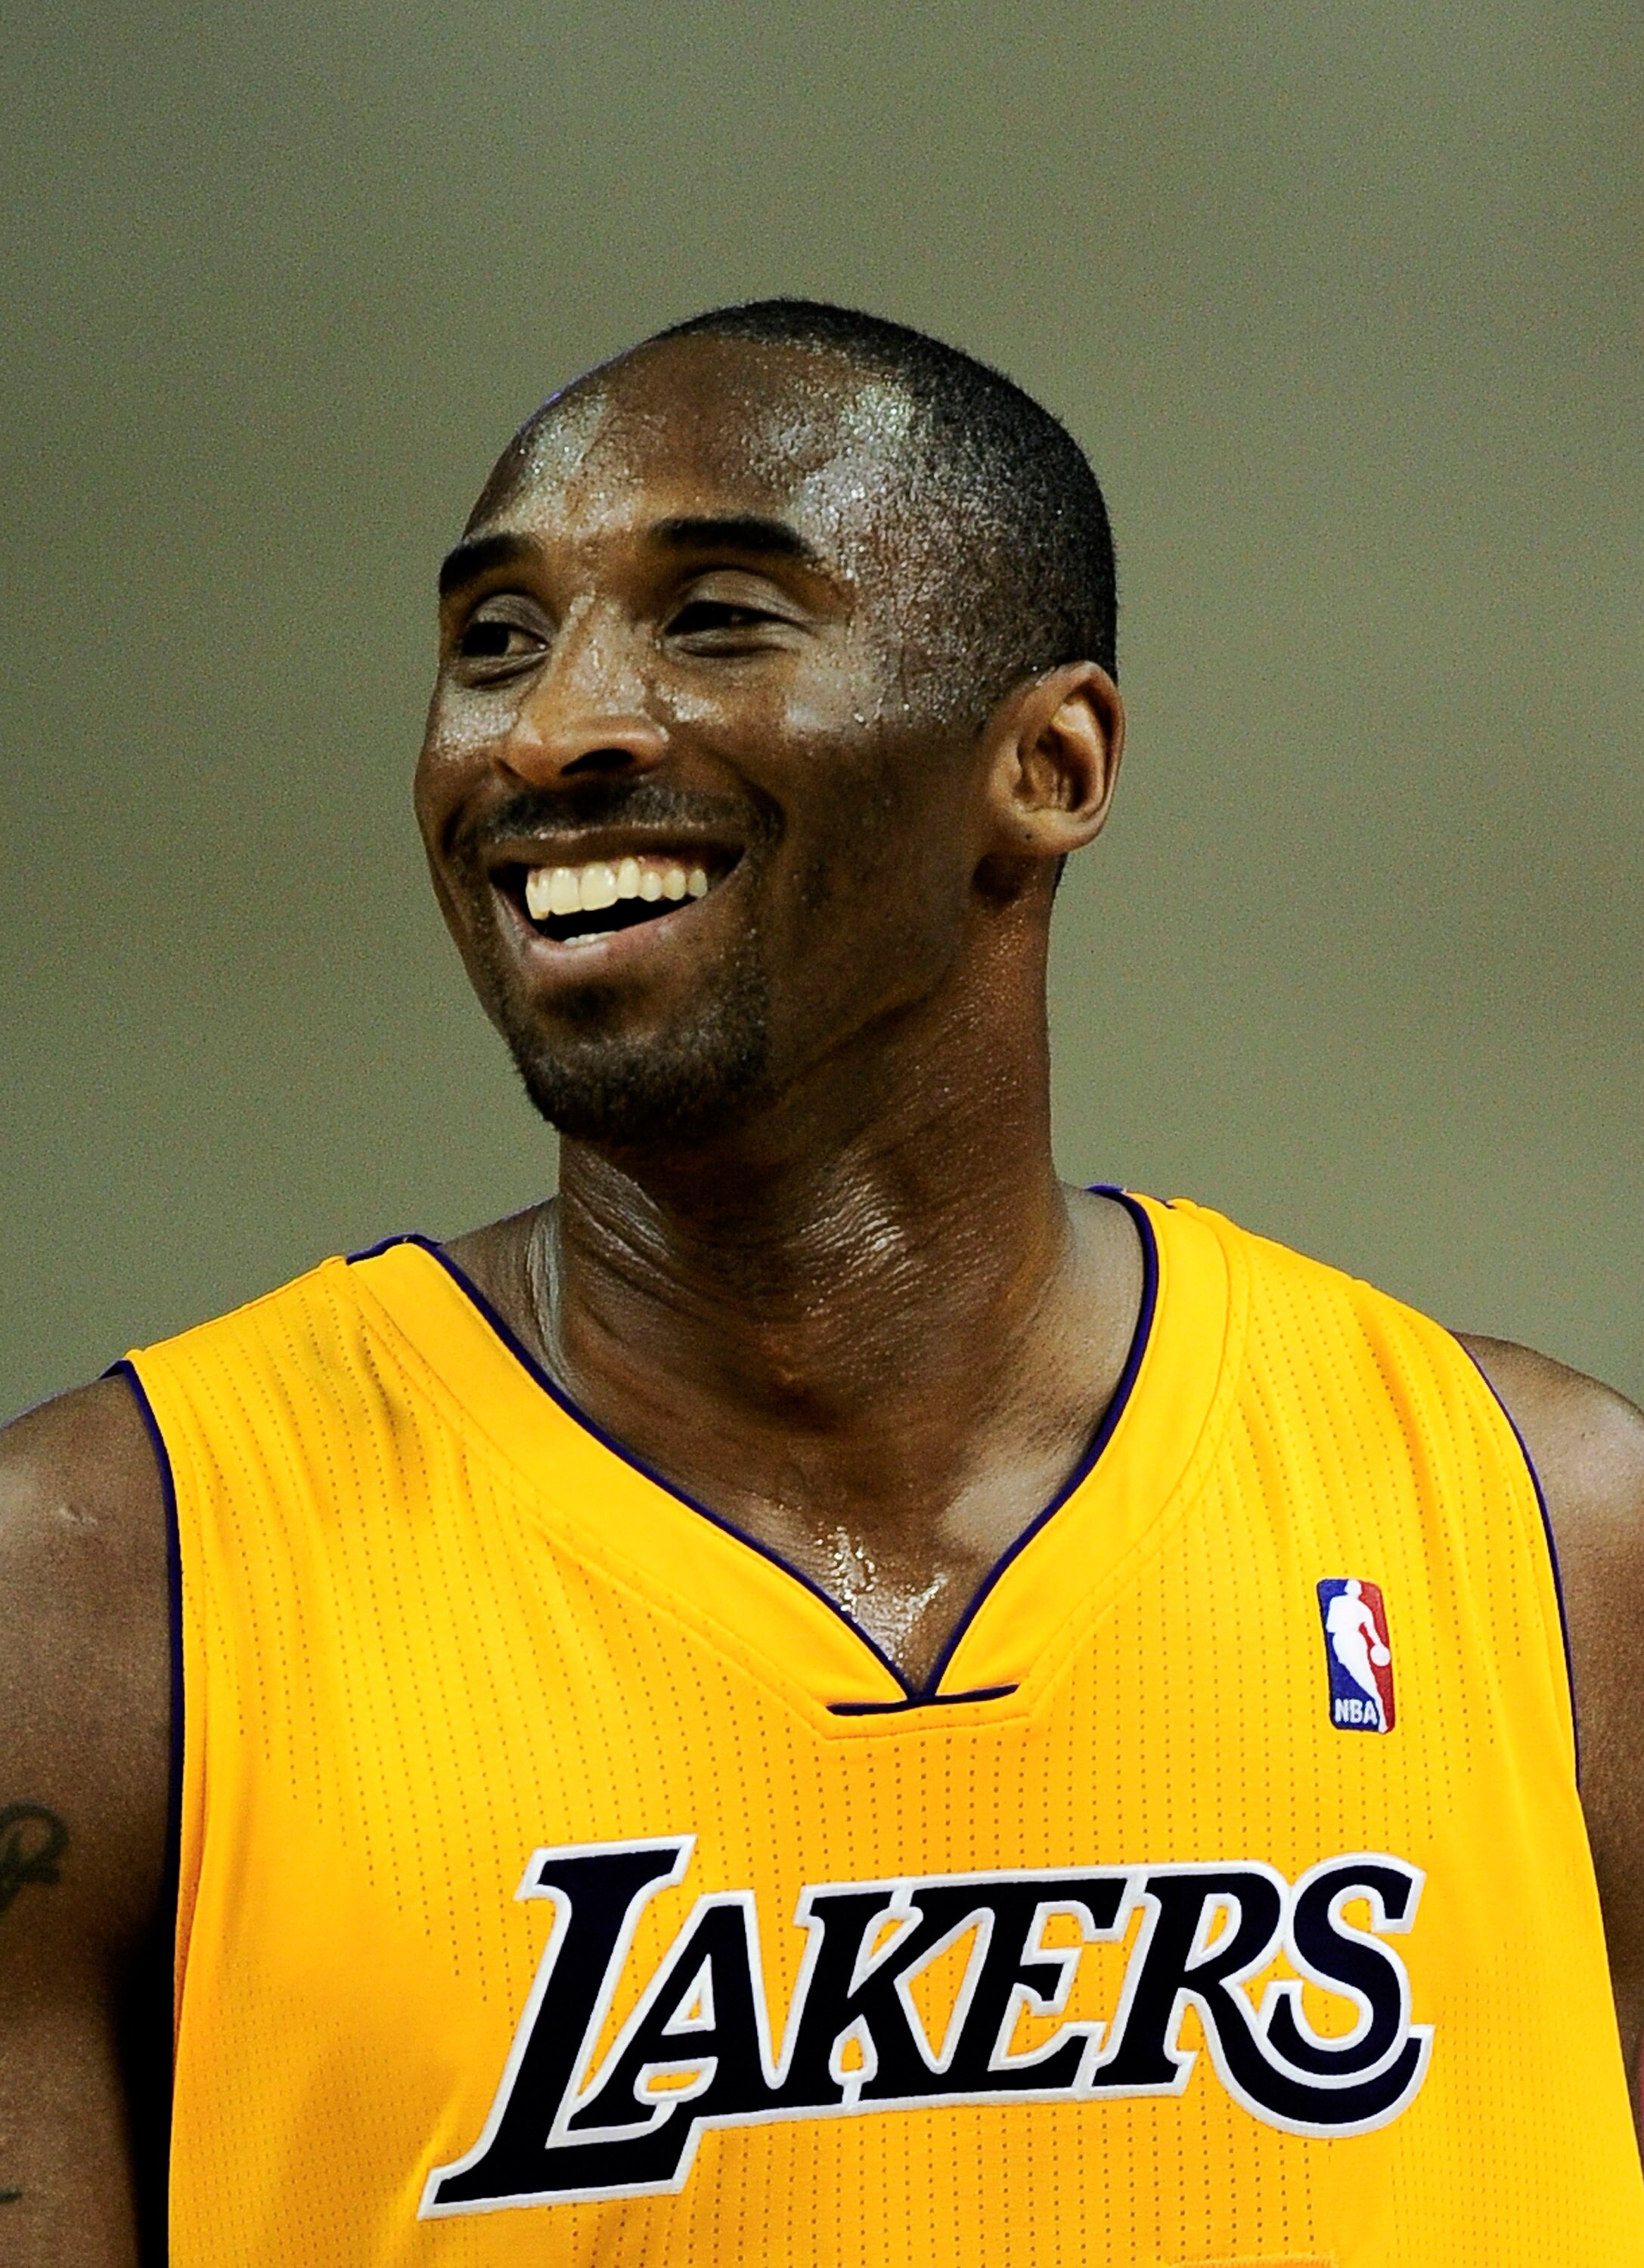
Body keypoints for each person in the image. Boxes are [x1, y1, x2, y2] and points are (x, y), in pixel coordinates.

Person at [2, 299, 1642, 2266]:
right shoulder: (101, 1596)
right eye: (493, 642)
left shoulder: (1551, 1544)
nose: (546, 729)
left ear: (1046, 763)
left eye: (714, 619)